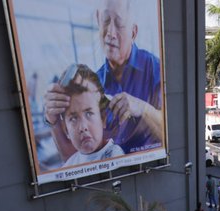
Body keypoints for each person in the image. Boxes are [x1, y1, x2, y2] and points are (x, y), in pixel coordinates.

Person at [43, 0, 163, 160]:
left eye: (119, 24)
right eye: (105, 21)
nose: (110, 33)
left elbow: (172, 132)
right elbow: (76, 157)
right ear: (98, 22)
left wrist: (143, 109)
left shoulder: (155, 69)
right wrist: (53, 120)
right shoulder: (93, 83)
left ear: (133, 32)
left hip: (148, 171)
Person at [55, 64, 125, 167]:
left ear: (103, 119)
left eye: (89, 114)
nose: (83, 127)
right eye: (73, 118)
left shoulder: (116, 155)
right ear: (66, 130)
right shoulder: (69, 165)